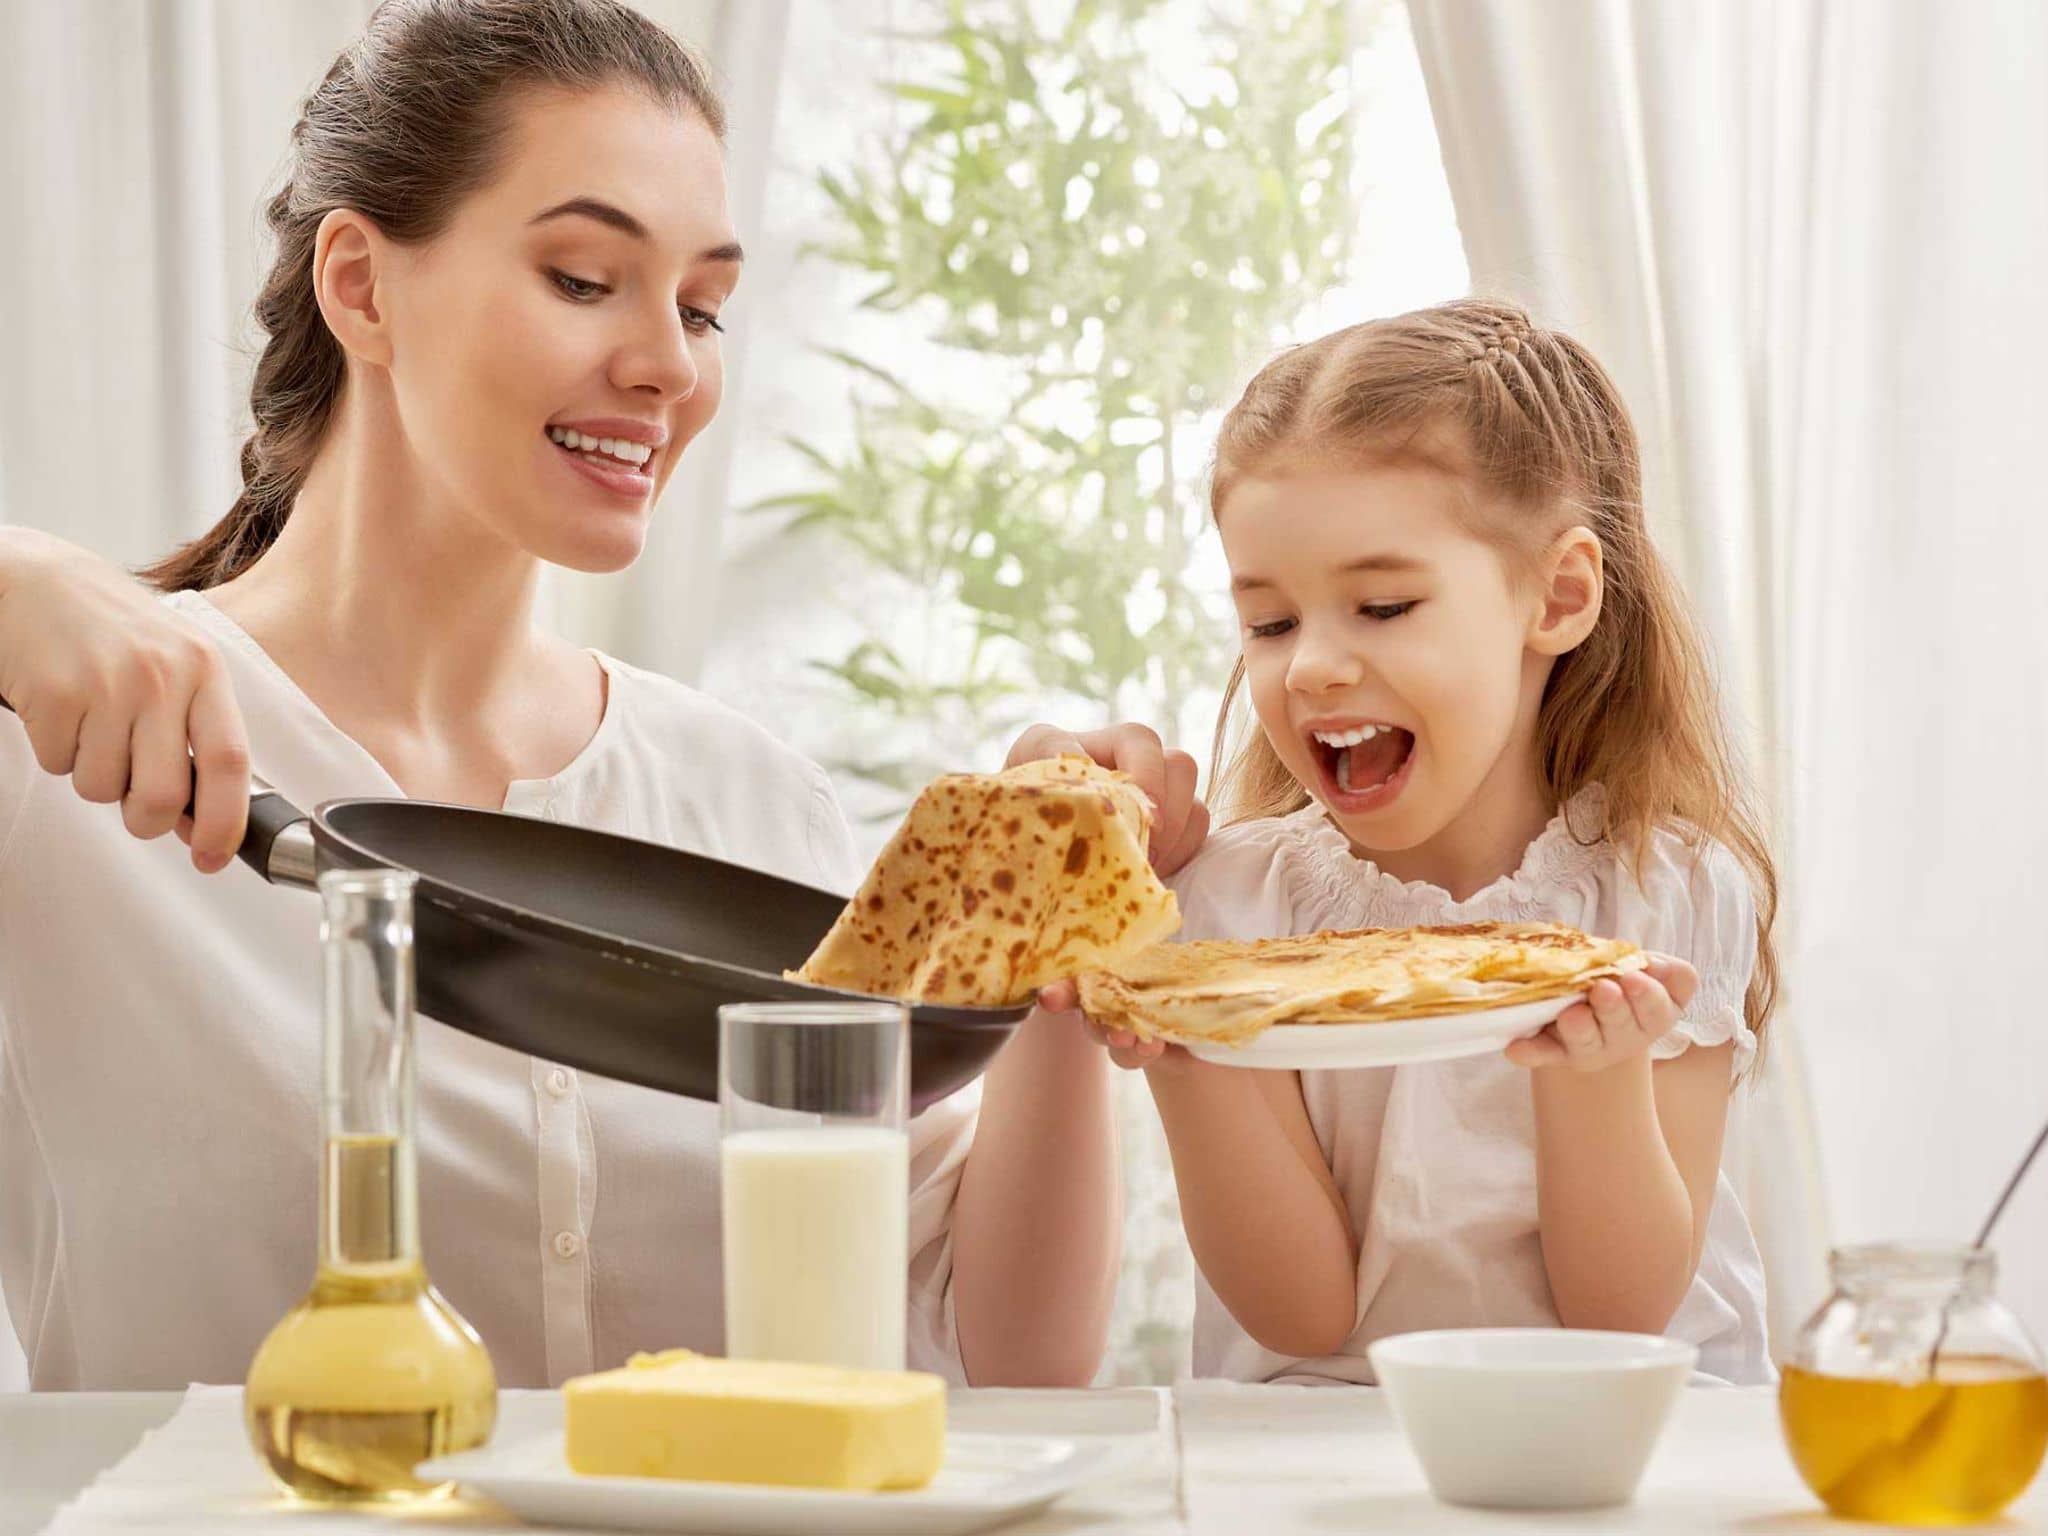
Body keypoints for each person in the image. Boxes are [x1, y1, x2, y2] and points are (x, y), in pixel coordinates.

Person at [0, 0, 1200, 1391]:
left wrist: (1046, 946)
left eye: (702, 307)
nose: (671, 366)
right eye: (584, 278)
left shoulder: (748, 807)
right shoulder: (66, 773)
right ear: (363, 285)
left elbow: (992, 1361)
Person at [1053, 300, 1779, 1385]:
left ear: (1559, 595)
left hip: (1616, 1440)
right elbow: (1299, 1316)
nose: (1308, 669)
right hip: (1332, 1443)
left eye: (1381, 606)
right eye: (1269, 622)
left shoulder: (1661, 894)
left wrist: (1595, 1077)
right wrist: (1182, 1041)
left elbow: (1620, 1321)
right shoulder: (1231, 911)